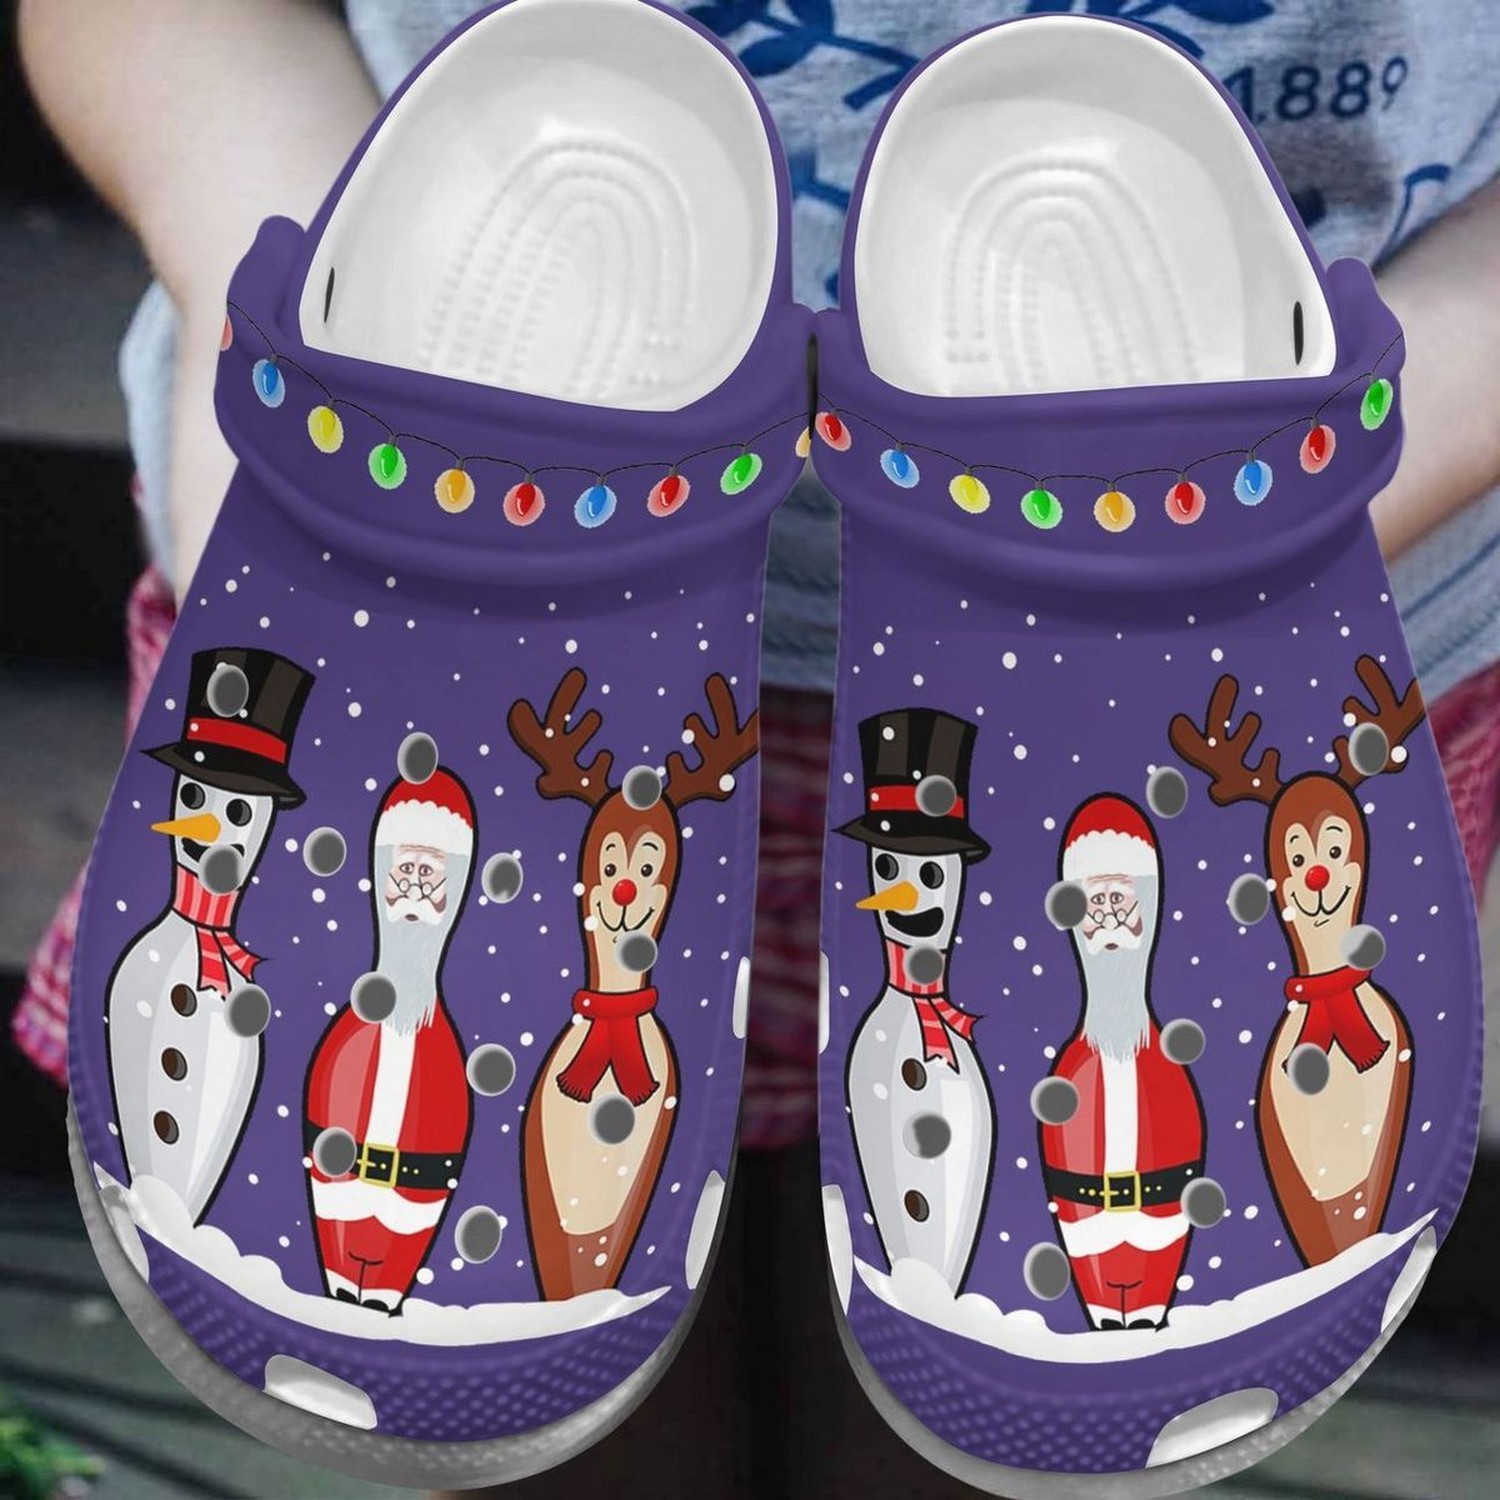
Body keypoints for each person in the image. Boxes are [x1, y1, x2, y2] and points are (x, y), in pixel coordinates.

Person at [15, 4, 1500, 1490]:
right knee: (550, 1372)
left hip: (1269, 653)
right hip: (445, 566)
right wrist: (248, 236)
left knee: (978, 1378)